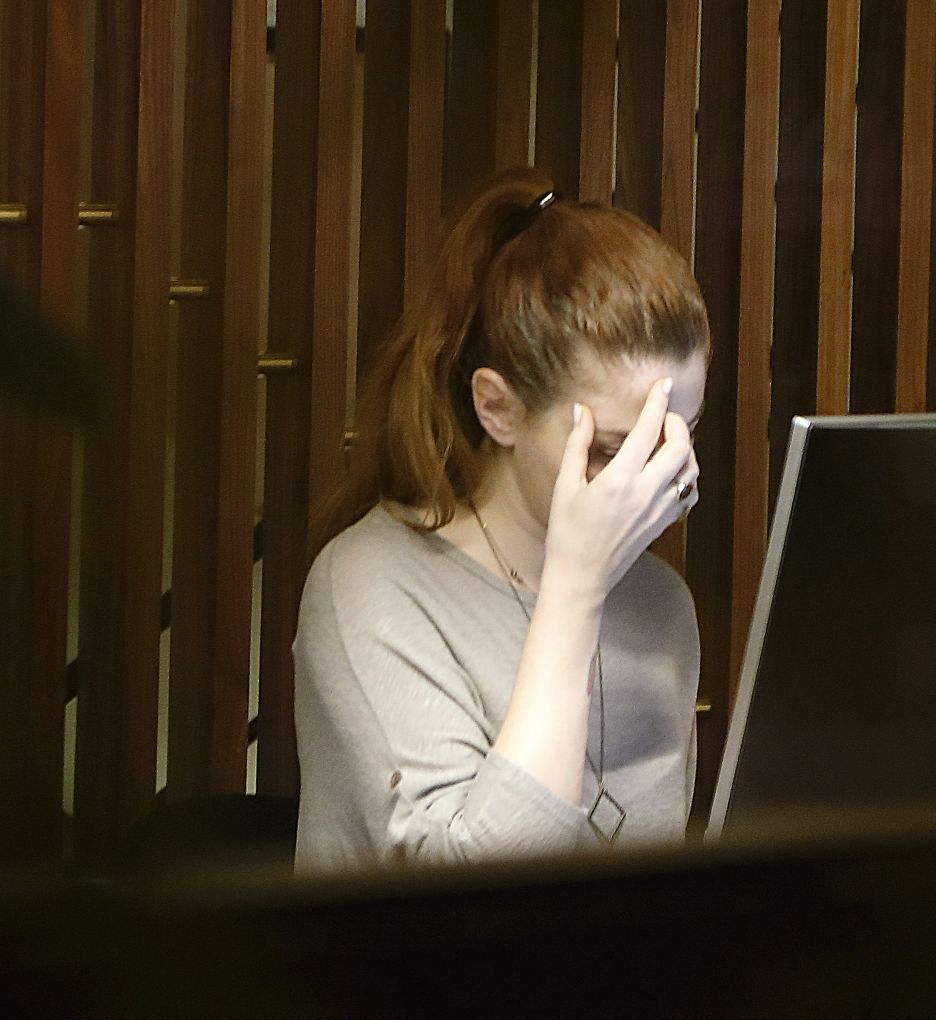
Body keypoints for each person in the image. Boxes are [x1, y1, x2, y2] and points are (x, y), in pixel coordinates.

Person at [292, 169, 708, 872]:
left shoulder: (661, 604)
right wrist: (575, 592)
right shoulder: (367, 587)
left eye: (681, 436)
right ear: (499, 409)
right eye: (614, 448)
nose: (659, 478)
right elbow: (475, 904)